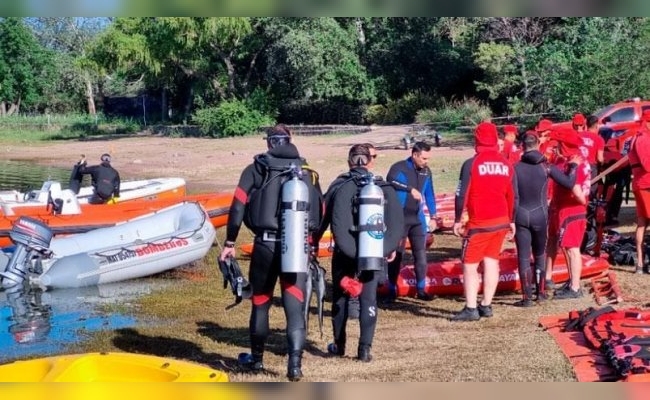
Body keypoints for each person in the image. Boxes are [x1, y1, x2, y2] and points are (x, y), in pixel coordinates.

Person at [218, 123, 323, 382]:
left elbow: (237, 208)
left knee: (261, 302)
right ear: (290, 139)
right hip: (296, 246)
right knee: (294, 306)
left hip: (264, 244)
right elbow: (319, 213)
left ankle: (256, 360)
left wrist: (230, 243)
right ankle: (294, 366)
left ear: (268, 142)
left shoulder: (255, 168)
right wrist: (313, 243)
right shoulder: (307, 172)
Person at [318, 143, 403, 362]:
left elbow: (324, 219)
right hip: (373, 250)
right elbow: (394, 223)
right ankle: (364, 350)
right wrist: (389, 248)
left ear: (349, 161)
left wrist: (313, 244)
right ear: (370, 161)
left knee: (340, 298)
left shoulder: (339, 185)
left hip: (344, 253)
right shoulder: (382, 186)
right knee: (369, 298)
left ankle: (339, 345)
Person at [451, 122, 516, 321]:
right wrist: (511, 219)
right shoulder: (506, 164)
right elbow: (512, 194)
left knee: (470, 265)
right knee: (492, 262)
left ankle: (471, 308)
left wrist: (457, 219)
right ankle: (486, 304)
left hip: (480, 222)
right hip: (501, 220)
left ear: (477, 139)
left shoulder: (472, 164)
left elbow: (461, 194)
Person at [513, 132, 580, 307]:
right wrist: (573, 166)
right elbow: (569, 183)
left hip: (520, 215)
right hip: (540, 215)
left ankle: (527, 297)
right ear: (537, 144)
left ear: (522, 146)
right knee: (540, 253)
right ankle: (541, 293)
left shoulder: (515, 168)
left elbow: (511, 195)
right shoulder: (546, 167)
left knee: (523, 256)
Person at [385, 141, 438, 302]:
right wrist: (410, 189)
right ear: (414, 155)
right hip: (399, 218)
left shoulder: (426, 172)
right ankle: (391, 290)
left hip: (417, 219)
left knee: (420, 254)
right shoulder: (399, 167)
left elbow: (429, 194)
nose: (426, 161)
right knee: (396, 255)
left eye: (428, 158)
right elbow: (391, 180)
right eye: (423, 158)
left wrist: (434, 216)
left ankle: (421, 290)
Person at [545, 128, 591, 299]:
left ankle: (575, 287)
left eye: (557, 145)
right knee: (561, 244)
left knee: (572, 249)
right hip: (561, 208)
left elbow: (577, 191)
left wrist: (582, 202)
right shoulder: (567, 160)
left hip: (572, 210)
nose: (554, 148)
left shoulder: (574, 162)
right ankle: (570, 281)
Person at [627, 109, 650, 274]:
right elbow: (647, 164)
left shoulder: (639, 136)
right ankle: (641, 262)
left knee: (642, 223)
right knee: (643, 222)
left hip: (642, 183)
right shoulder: (643, 139)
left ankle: (641, 264)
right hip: (646, 183)